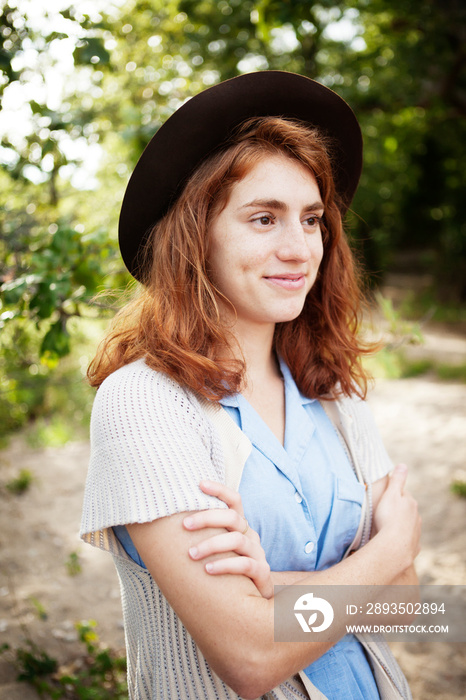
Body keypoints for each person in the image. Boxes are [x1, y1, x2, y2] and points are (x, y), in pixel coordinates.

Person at [80, 71, 421, 700]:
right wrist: (390, 547)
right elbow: (250, 654)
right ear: (195, 235)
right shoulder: (143, 402)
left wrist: (276, 589)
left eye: (313, 219)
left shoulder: (336, 396)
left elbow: (417, 608)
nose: (299, 248)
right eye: (264, 218)